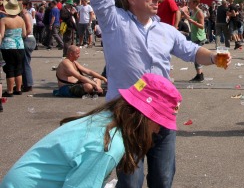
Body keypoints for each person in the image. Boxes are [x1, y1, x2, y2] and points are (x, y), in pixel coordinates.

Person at [85, 0, 230, 188]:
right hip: (127, 115)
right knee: (131, 182)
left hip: (163, 114)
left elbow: (190, 51)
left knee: (163, 180)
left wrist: (213, 56)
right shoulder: (115, 22)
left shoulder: (166, 30)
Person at [0, 73, 182, 188]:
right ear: (143, 116)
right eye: (159, 121)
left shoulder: (104, 119)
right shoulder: (107, 145)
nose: (159, 129)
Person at [0, 0, 26, 97]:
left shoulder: (4, 20)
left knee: (9, 68)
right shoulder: (21, 19)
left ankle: (10, 91)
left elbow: (1, 35)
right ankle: (18, 89)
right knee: (18, 68)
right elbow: (24, 33)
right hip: (20, 45)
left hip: (8, 46)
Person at [183, 0, 208, 83]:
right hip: (194, 37)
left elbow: (202, 26)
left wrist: (193, 22)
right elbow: (190, 19)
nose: (188, 4)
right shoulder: (193, 11)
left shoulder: (199, 12)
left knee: (196, 57)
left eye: (190, 2)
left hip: (199, 37)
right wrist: (185, 14)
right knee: (196, 57)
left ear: (195, 3)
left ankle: (200, 75)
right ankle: (199, 74)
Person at [18, 0, 36, 92]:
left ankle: (28, 84)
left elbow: (28, 28)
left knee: (25, 62)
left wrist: (21, 37)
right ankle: (23, 83)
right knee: (23, 62)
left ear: (24, 5)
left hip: (27, 39)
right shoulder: (23, 14)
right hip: (28, 39)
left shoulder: (25, 14)